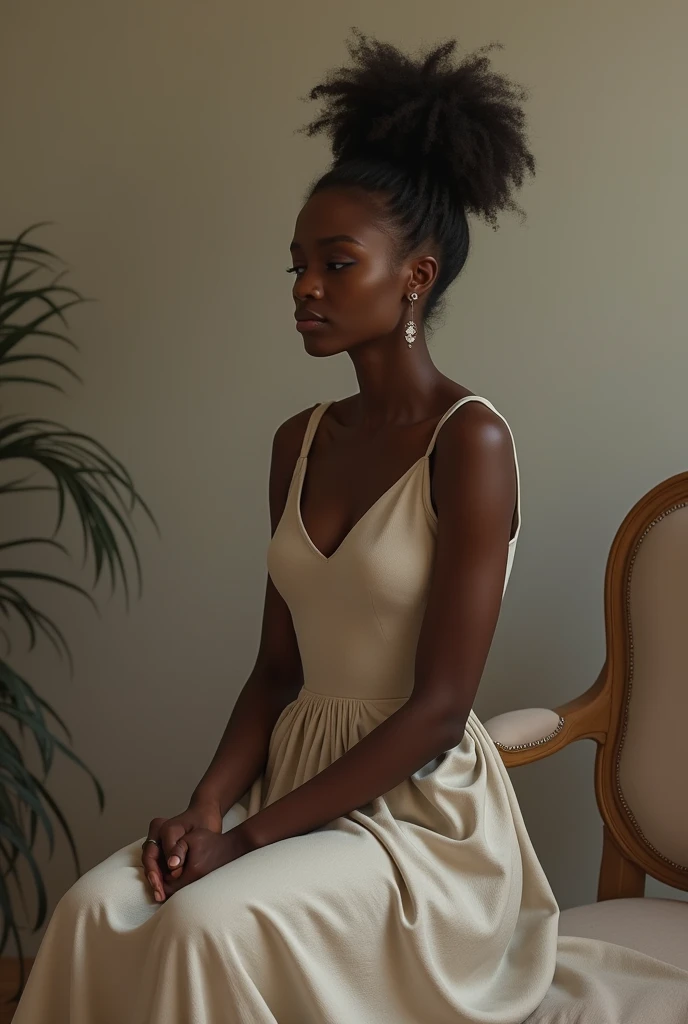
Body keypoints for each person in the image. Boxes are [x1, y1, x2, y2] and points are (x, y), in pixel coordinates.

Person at [14, 30, 688, 1024]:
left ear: (416, 275)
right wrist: (207, 808)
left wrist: (245, 844)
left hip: (421, 824)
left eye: (336, 264)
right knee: (88, 910)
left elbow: (438, 706)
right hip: (294, 788)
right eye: (297, 266)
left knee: (207, 925)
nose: (305, 289)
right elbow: (275, 670)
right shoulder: (298, 440)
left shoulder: (474, 441)